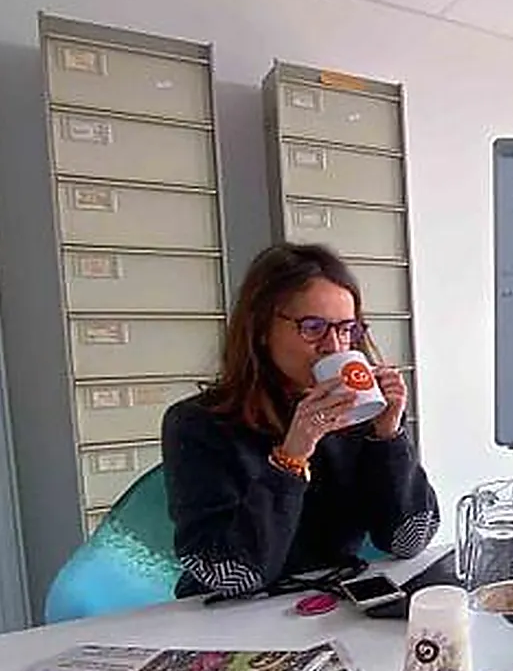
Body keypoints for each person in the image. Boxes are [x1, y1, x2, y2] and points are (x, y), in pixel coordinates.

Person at [162, 243, 438, 599]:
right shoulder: (198, 424)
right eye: (313, 327)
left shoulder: (358, 416)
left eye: (347, 329)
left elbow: (408, 539)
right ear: (261, 330)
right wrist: (292, 458)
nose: (334, 347)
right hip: (229, 617)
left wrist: (388, 436)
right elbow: (234, 575)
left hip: (329, 603)